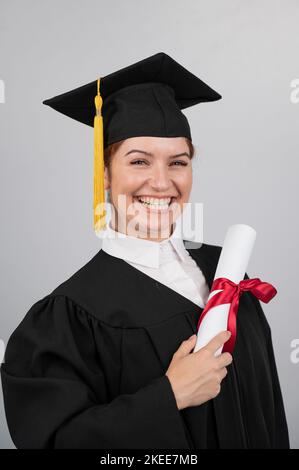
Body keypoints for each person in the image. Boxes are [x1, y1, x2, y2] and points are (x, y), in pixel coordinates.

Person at [0, 52, 289, 449]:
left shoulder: (229, 274)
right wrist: (168, 397)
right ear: (104, 173)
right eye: (139, 161)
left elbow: (267, 414)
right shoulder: (67, 318)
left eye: (178, 162)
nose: (161, 181)